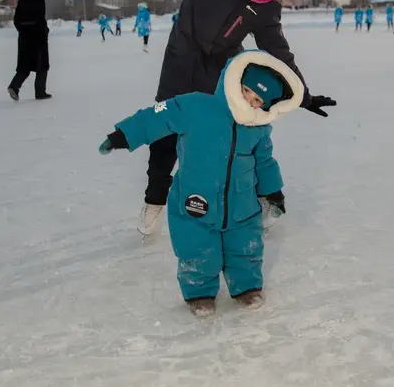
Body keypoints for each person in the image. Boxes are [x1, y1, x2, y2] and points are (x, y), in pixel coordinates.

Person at [101, 0, 335, 235]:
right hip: (180, 61)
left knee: (237, 135)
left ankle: (264, 196)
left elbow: (278, 51)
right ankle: (154, 199)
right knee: (164, 124)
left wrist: (304, 95)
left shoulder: (266, 5)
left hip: (221, 73)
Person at [99, 50, 303, 316]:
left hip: (241, 204)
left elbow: (264, 161)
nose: (250, 103)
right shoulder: (196, 106)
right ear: (234, 81)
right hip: (196, 199)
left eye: (258, 101)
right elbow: (157, 116)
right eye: (246, 92)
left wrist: (273, 192)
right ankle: (199, 292)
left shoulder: (258, 128)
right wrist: (123, 135)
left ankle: (246, 287)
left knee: (245, 248)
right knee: (197, 249)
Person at [8, 0, 51, 101]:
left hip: (24, 38)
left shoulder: (22, 0)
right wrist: (44, 31)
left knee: (25, 66)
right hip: (38, 38)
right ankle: (40, 92)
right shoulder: (39, 0)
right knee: (42, 66)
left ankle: (14, 86)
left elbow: (16, 20)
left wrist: (23, 31)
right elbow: (40, 19)